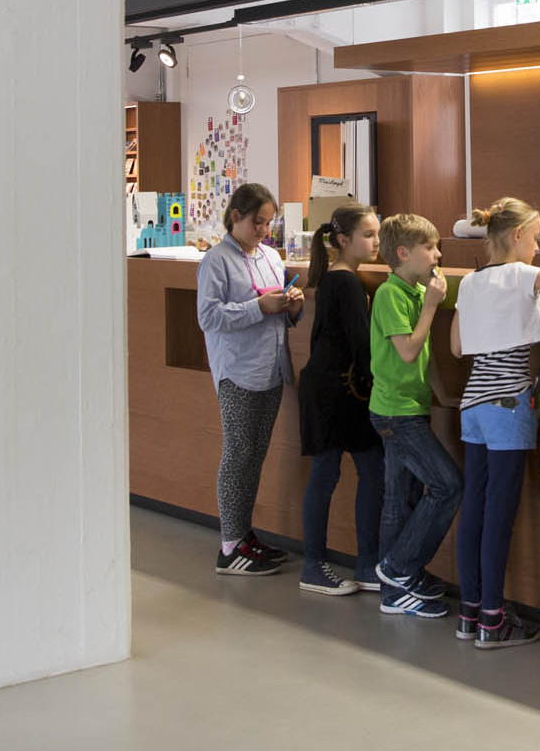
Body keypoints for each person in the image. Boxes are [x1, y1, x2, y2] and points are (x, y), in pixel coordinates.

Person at [449, 198, 540, 648]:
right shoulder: (521, 275)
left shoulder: (471, 282)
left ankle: (470, 612)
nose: (537, 249)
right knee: (500, 514)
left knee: (474, 507)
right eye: (534, 239)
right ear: (515, 237)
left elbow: (456, 347)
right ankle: (494, 619)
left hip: (472, 406)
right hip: (509, 405)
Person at [195, 182, 304, 576]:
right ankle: (229, 545)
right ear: (236, 216)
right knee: (238, 454)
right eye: (257, 222)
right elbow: (209, 318)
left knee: (254, 455)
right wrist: (258, 307)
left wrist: (293, 306)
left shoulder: (271, 258)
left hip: (271, 366)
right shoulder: (217, 261)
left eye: (268, 222)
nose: (263, 229)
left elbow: (282, 312)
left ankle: (243, 534)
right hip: (238, 370)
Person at [368, 212, 460, 618]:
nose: (437, 255)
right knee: (447, 485)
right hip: (395, 414)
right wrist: (432, 307)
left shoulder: (414, 293)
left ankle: (394, 590)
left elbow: (426, 355)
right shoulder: (392, 295)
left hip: (410, 408)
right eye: (430, 247)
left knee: (399, 499)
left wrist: (442, 396)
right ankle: (398, 567)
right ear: (404, 253)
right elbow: (407, 350)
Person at [294, 202, 387, 596]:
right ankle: (314, 564)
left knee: (371, 470)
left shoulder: (343, 278)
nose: (376, 241)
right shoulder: (346, 281)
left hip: (342, 389)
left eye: (377, 234)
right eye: (368, 235)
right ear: (344, 240)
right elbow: (363, 345)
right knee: (328, 474)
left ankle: (368, 563)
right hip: (334, 392)